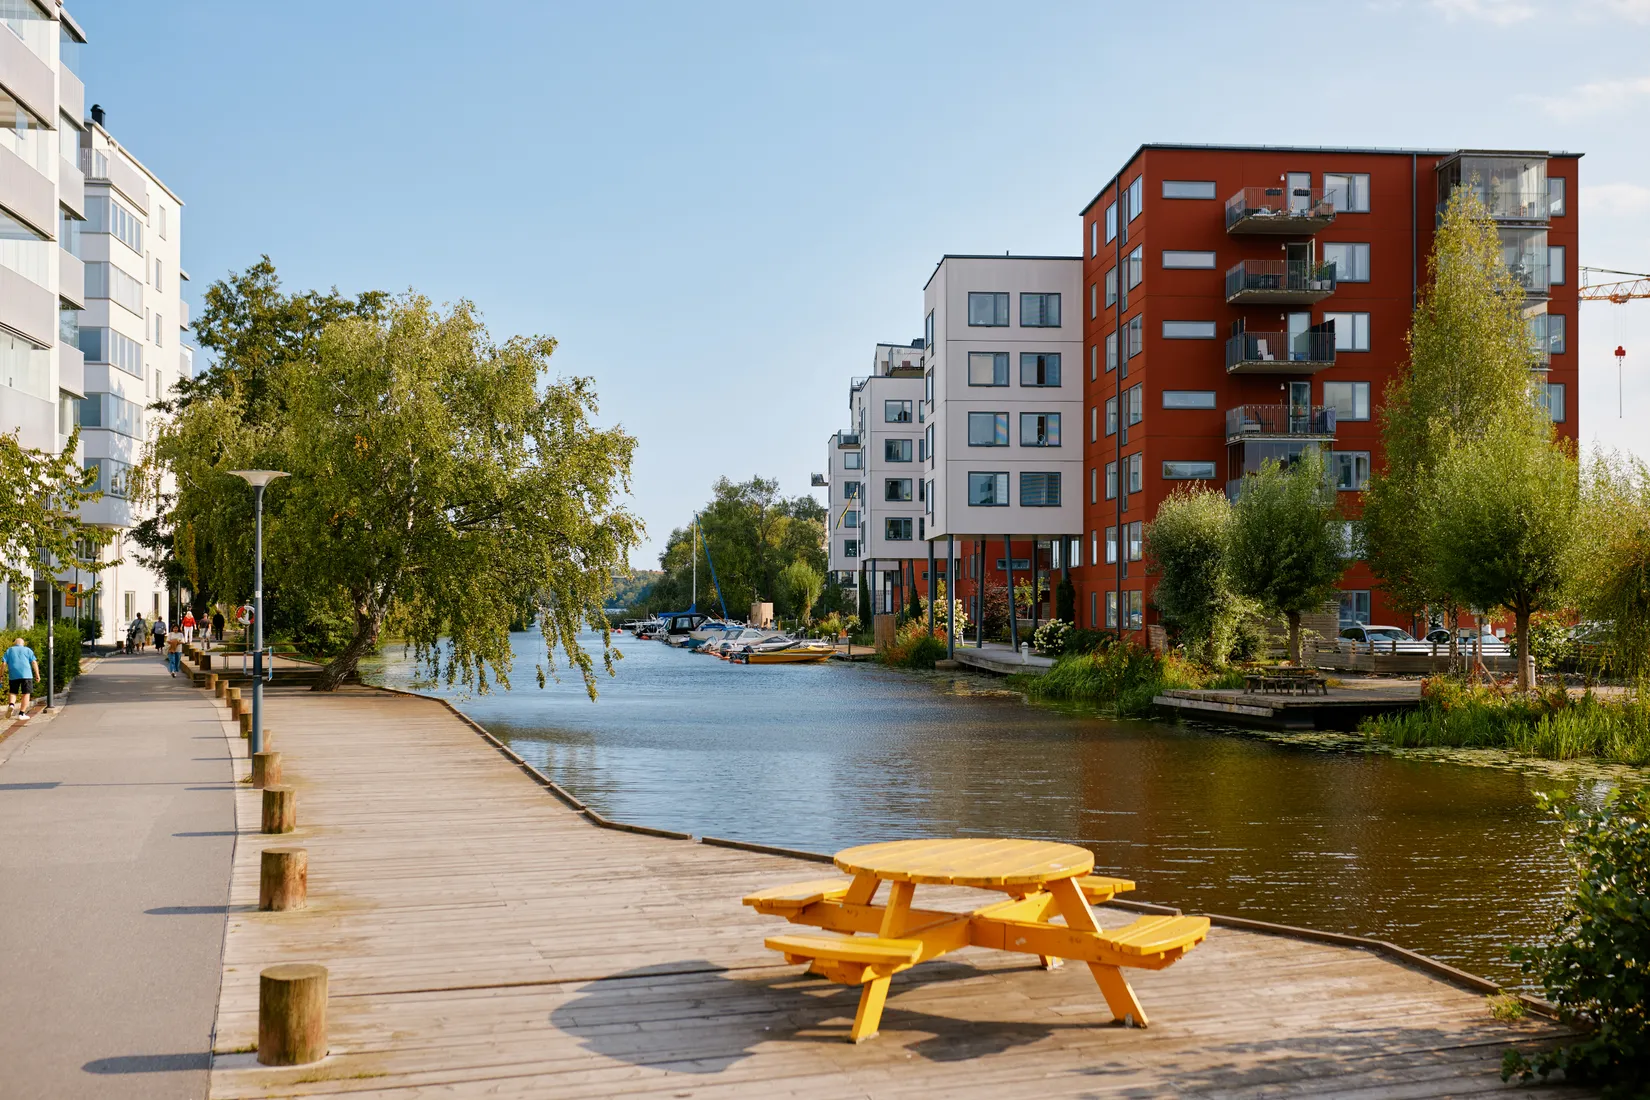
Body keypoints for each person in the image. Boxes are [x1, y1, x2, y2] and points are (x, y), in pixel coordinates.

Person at [5, 636, 40, 721]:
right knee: (26, 693)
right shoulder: (28, 650)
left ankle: (11, 705)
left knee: (13, 692)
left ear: (15, 644)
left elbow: (3, 664)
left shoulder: (9, 650)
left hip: (13, 675)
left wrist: (1, 675)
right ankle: (21, 714)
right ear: (23, 644)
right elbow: (34, 662)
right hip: (26, 675)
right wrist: (37, 674)